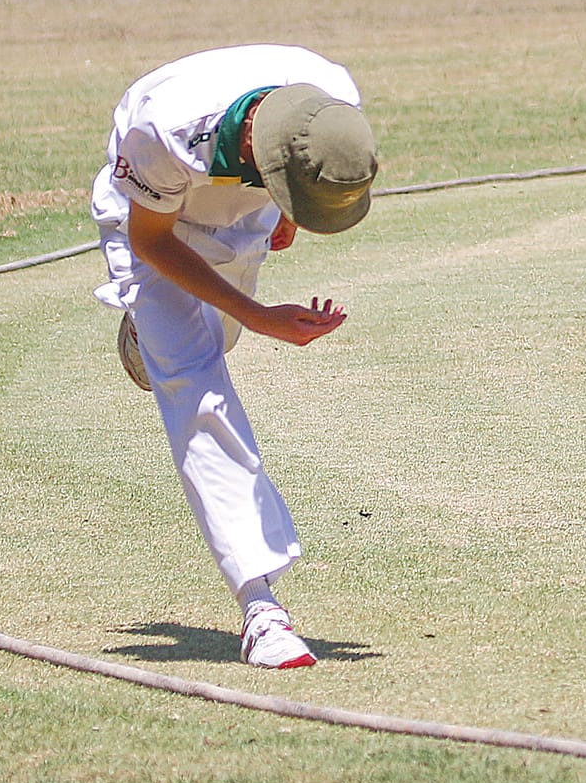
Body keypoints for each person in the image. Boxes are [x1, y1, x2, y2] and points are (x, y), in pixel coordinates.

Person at [89, 44, 379, 669]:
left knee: (217, 338)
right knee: (198, 385)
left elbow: (302, 166)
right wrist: (260, 316)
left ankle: (152, 340)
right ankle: (261, 609)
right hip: (154, 224)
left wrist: (291, 210)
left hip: (245, 206)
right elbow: (152, 239)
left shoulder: (333, 97)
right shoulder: (164, 129)